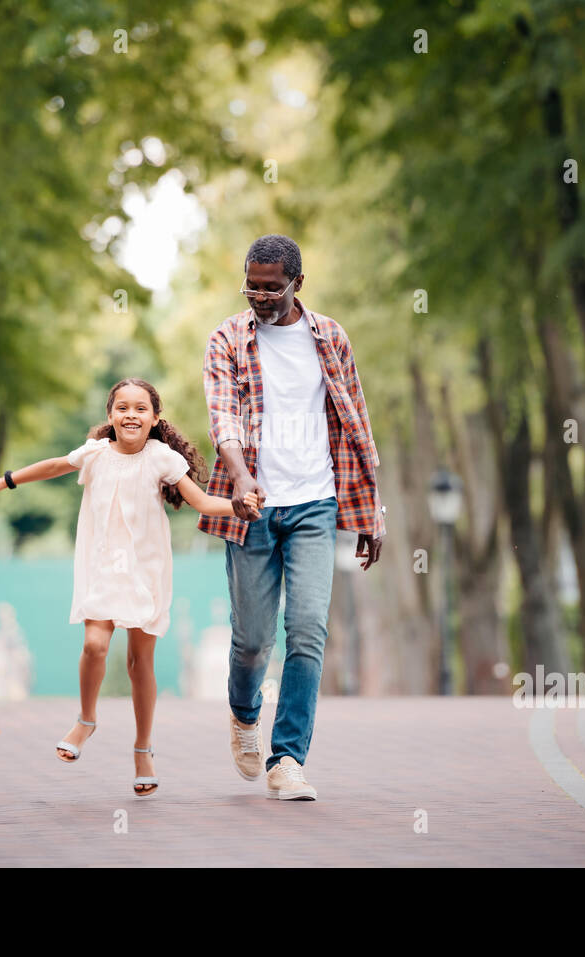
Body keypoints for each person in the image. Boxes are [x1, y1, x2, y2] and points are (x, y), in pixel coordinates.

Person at [0, 377, 260, 797]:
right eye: (123, 407)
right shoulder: (95, 454)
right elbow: (55, 465)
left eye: (141, 408)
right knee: (94, 644)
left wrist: (240, 506)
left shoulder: (161, 457)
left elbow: (201, 502)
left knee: (138, 663)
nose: (131, 414)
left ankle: (143, 749)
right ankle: (86, 720)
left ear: (155, 418)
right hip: (101, 565)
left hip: (146, 569)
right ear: (110, 415)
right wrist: (6, 480)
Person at [199, 234, 385, 801]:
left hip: (315, 501)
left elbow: (357, 420)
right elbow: (222, 415)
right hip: (251, 505)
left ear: (296, 284)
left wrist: (372, 512)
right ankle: (243, 713)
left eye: (270, 287)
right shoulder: (227, 337)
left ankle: (288, 759)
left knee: (307, 631)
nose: (258, 295)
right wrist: (239, 474)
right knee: (253, 640)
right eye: (251, 285)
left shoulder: (329, 336)